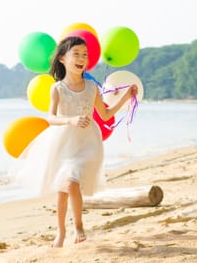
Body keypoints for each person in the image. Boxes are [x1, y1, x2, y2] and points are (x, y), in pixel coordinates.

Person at [15, 36, 137, 248]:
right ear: (62, 59)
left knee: (71, 181)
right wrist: (71, 120)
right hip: (64, 142)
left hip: (88, 142)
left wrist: (125, 97)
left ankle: (78, 225)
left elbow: (106, 114)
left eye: (85, 55)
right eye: (76, 54)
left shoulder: (91, 87)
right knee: (63, 189)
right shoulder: (58, 88)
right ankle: (61, 233)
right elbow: (50, 118)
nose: (82, 58)